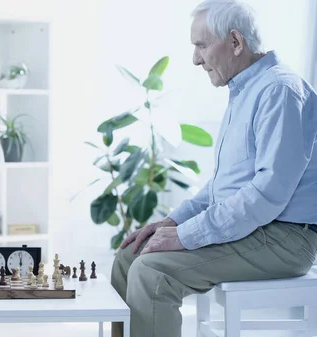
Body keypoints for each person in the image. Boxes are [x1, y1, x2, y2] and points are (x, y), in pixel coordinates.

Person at [111, 1, 317, 336]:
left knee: (153, 273)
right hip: (258, 229)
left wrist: (185, 235)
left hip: (285, 238)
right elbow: (222, 186)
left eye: (202, 45)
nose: (195, 59)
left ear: (235, 42)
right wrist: (173, 222)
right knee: (129, 255)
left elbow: (268, 193)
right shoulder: (246, 90)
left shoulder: (279, 90)